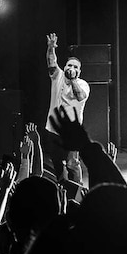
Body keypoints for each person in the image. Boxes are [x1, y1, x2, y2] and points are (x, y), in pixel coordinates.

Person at [42, 33, 89, 184]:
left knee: (72, 164)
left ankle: (77, 191)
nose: (72, 68)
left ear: (79, 71)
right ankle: (61, 189)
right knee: (57, 163)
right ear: (65, 66)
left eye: (76, 67)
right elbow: (51, 62)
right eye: (70, 65)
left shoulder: (82, 84)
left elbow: (80, 96)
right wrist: (51, 47)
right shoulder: (58, 76)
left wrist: (73, 79)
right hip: (54, 129)